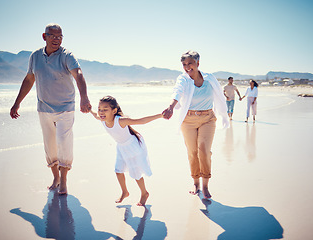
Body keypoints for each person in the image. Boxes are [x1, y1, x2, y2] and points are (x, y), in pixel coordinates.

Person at [10, 23, 91, 195]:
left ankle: (64, 181)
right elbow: (29, 80)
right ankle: (56, 177)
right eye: (53, 35)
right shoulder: (35, 56)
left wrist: (84, 97)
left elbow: (79, 74)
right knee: (50, 146)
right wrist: (17, 102)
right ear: (44, 36)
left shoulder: (67, 55)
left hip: (65, 108)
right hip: (44, 108)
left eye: (60, 36)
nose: (57, 39)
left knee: (64, 143)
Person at [163, 51, 229, 199]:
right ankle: (196, 182)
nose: (187, 67)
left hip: (207, 118)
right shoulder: (183, 79)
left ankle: (205, 185)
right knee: (192, 153)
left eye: (190, 63)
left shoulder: (209, 78)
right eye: (184, 64)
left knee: (204, 151)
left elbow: (219, 93)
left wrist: (224, 114)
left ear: (198, 63)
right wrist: (171, 106)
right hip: (189, 120)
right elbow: (177, 92)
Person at [90, 96, 162, 206]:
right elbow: (95, 115)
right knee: (118, 170)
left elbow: (141, 121)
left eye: (105, 109)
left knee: (136, 173)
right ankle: (125, 192)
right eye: (99, 109)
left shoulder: (120, 121)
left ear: (114, 111)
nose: (101, 112)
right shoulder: (102, 119)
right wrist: (89, 108)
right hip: (121, 147)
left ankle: (144, 193)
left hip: (132, 147)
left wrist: (161, 115)